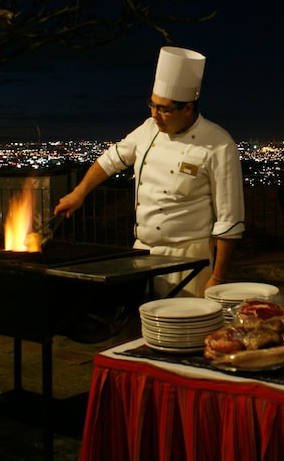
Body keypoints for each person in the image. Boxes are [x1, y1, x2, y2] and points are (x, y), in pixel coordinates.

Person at [53, 46, 245, 297]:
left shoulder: (218, 144)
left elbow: (229, 222)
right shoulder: (148, 129)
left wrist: (217, 278)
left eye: (164, 109)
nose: (155, 115)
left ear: (187, 108)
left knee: (184, 333)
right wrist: (79, 193)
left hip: (189, 261)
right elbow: (111, 160)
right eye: (152, 105)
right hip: (142, 255)